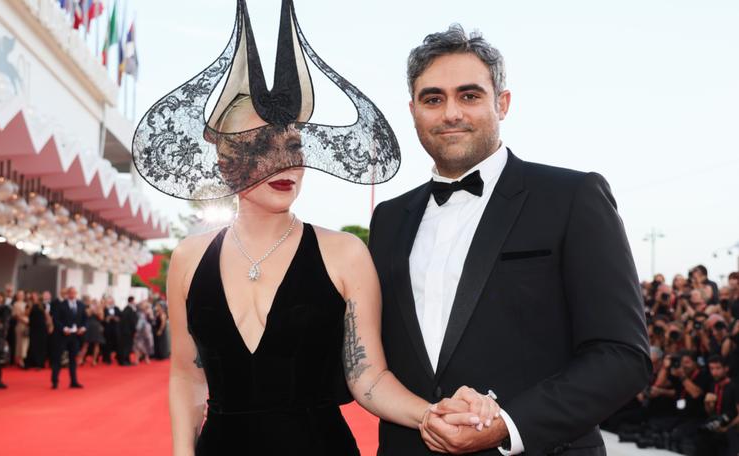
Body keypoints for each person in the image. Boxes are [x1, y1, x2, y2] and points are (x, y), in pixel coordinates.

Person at [135, 2, 500, 454]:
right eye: (262, 147)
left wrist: (429, 413)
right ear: (227, 163)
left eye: (293, 145)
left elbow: (367, 377)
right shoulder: (189, 258)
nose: (286, 161)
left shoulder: (344, 253)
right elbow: (186, 376)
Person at [368, 25, 652, 454]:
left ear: (502, 102)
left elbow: (621, 356)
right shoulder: (388, 219)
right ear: (413, 110)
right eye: (433, 98)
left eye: (469, 95)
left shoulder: (572, 197)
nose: (450, 114)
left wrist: (507, 424)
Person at [49, 287, 86, 389]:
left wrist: (83, 328)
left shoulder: (81, 305)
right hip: (62, 336)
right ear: (67, 294)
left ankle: (74, 381)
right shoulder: (61, 305)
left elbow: (84, 319)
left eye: (74, 293)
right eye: (70, 293)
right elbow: (56, 320)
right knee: (58, 358)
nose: (72, 295)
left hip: (74, 336)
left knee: (73, 359)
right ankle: (55, 381)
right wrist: (64, 328)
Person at [25, 293, 49, 369]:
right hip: (33, 327)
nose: (34, 298)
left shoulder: (42, 305)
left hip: (42, 327)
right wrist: (30, 306)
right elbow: (26, 314)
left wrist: (50, 325)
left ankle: (40, 363)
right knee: (32, 344)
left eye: (35, 296)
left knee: (41, 345)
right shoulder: (29, 305)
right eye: (33, 296)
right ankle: (30, 363)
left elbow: (46, 316)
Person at [11, 290, 29, 367]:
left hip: (27, 325)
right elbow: (15, 316)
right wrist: (24, 321)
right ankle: (20, 360)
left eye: (22, 294)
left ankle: (24, 358)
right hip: (20, 324)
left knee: (26, 343)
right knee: (20, 343)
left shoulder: (26, 304)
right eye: (19, 295)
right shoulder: (15, 304)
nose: (21, 296)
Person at [118, 297, 138, 366]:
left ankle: (127, 360)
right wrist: (135, 330)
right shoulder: (129, 310)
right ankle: (124, 361)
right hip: (128, 332)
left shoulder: (126, 309)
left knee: (127, 346)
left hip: (125, 331)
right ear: (132, 301)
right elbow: (132, 322)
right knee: (127, 346)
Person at [101, 296, 120, 364]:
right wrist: (107, 319)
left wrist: (116, 318)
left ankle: (118, 357)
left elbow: (120, 318)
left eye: (112, 301)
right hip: (107, 329)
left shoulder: (117, 308)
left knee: (117, 343)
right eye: (109, 301)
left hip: (115, 329)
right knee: (107, 344)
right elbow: (102, 319)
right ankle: (107, 358)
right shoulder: (104, 309)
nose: (111, 302)